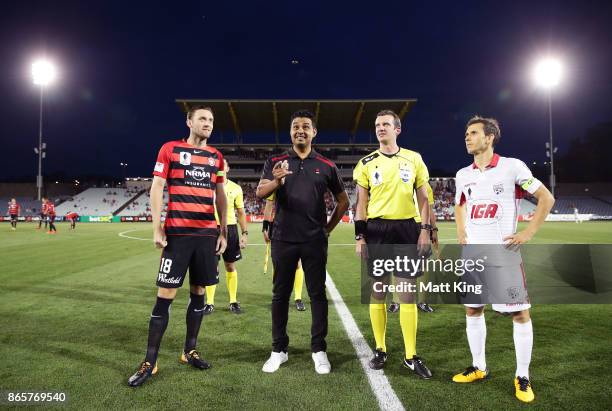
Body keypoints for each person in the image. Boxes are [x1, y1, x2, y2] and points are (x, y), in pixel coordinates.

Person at [452, 115, 554, 403]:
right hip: (473, 256)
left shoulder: (512, 167)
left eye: (473, 133)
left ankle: (523, 376)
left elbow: (546, 198)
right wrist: (461, 229)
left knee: (519, 314)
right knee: (473, 311)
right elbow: (459, 204)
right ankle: (479, 367)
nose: (467, 137)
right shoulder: (463, 174)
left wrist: (529, 232)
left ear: (489, 137)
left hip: (503, 257)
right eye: (466, 133)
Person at [127, 105, 228, 387]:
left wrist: (223, 231)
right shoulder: (169, 149)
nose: (207, 123)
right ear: (189, 121)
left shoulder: (216, 157)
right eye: (202, 119)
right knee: (165, 294)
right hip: (177, 235)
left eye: (211, 119)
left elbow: (220, 194)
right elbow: (157, 186)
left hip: (207, 235)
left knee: (199, 292)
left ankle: (189, 350)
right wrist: (157, 225)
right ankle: (150, 361)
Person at [256, 110, 349, 374]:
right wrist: (277, 179)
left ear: (314, 132)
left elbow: (343, 201)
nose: (300, 130)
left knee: (317, 294)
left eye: (305, 127)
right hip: (283, 238)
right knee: (280, 295)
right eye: (296, 126)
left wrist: (327, 229)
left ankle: (319, 350)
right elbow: (261, 192)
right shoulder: (276, 161)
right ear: (290, 132)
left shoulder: (327, 165)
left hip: (314, 241)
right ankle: (278, 350)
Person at [353, 109, 433, 378]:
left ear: (398, 129)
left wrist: (425, 231)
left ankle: (411, 355)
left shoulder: (414, 159)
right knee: (378, 292)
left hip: (406, 229)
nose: (381, 128)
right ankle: (380, 348)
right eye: (377, 125)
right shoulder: (366, 162)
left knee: (407, 293)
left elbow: (424, 199)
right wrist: (360, 236)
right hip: (376, 230)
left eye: (386, 124)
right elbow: (361, 204)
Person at [205, 159, 248, 314]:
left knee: (230, 266)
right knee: (211, 266)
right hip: (210, 229)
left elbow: (241, 213)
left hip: (230, 229)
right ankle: (209, 303)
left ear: (228, 168)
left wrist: (244, 233)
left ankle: (233, 301)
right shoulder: (207, 186)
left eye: (224, 165)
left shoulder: (236, 188)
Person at [387, 183, 438, 314]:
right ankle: (396, 301)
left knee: (422, 265)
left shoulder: (425, 185)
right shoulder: (397, 179)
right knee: (397, 263)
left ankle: (422, 301)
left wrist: (434, 229)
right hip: (401, 224)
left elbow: (429, 208)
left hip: (422, 226)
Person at [263, 197, 306, 311]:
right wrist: (265, 226)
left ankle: (298, 298)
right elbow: (269, 202)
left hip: (297, 222)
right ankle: (278, 296)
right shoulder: (277, 179)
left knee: (297, 263)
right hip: (277, 223)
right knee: (277, 263)